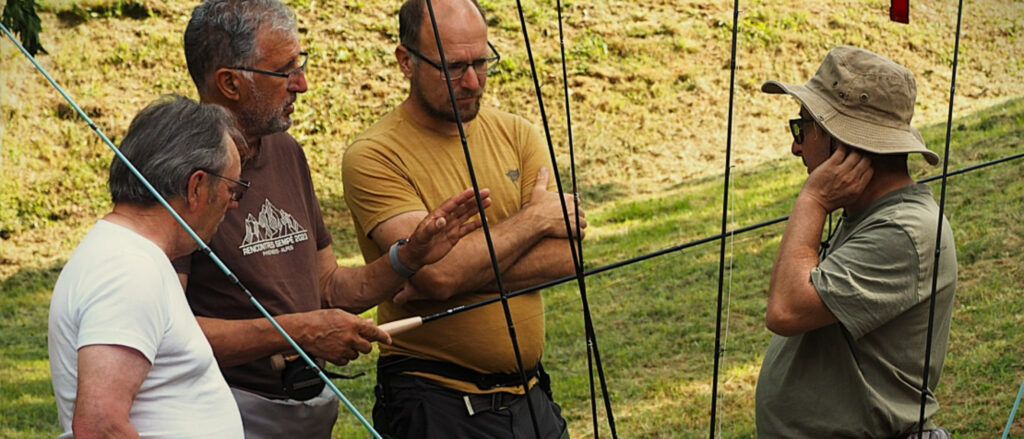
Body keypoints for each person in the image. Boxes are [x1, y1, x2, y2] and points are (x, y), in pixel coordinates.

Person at [177, 1, 490, 437]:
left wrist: (408, 257)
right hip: (221, 415)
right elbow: (169, 333)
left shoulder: (286, 152)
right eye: (285, 71)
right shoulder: (178, 174)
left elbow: (329, 290)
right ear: (229, 83)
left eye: (299, 64)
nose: (302, 84)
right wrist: (300, 333)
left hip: (304, 415)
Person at [342, 0, 583, 437]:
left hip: (531, 399)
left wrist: (454, 277)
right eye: (453, 67)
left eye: (481, 61)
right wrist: (532, 222)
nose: (472, 81)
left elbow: (569, 257)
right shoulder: (374, 155)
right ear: (405, 62)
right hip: (435, 403)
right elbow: (435, 273)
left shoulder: (517, 133)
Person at [754, 45, 957, 438]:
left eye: (803, 128)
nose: (796, 146)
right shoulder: (867, 213)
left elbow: (785, 310)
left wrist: (812, 200)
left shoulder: (904, 231)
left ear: (843, 141)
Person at [48, 95, 246, 438]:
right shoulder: (127, 270)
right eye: (232, 189)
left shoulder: (133, 258)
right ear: (196, 186)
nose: (232, 204)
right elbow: (98, 426)